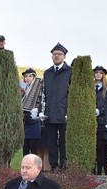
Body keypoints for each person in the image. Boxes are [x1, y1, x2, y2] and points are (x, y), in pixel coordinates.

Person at [40, 43, 72, 172]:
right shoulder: (48, 73)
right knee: (51, 140)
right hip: (50, 111)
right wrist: (42, 110)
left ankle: (64, 164)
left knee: (64, 140)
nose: (56, 56)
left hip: (64, 111)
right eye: (54, 54)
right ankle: (54, 165)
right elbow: (44, 93)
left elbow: (72, 93)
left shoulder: (70, 72)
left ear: (64, 56)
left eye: (59, 54)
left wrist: (69, 111)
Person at [93, 65, 107, 175]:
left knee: (104, 150)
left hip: (103, 122)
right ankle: (95, 171)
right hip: (92, 122)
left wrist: (100, 111)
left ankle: (105, 171)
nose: (98, 74)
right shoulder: (90, 87)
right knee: (95, 149)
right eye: (96, 72)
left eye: (100, 73)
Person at [20, 68, 43, 157]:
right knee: (25, 148)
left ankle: (35, 169)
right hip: (24, 122)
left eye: (30, 76)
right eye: (26, 76)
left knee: (34, 148)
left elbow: (42, 101)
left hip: (34, 121)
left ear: (34, 77)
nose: (28, 78)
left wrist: (37, 112)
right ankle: (26, 168)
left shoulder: (39, 88)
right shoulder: (22, 88)